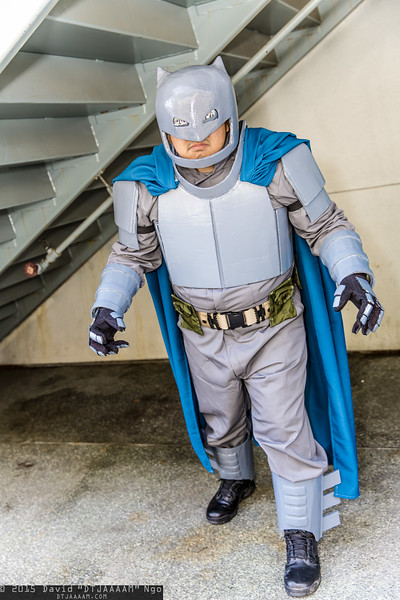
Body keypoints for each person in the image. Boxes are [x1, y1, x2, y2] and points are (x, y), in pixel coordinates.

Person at [88, 57, 383, 597]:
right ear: (165, 130)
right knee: (220, 418)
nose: (197, 142)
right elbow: (131, 254)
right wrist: (107, 306)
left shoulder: (274, 160)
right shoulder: (145, 183)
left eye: (210, 129)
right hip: (201, 333)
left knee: (285, 428)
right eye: (184, 134)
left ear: (230, 117)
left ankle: (301, 534)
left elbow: (325, 224)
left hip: (274, 327)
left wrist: (353, 273)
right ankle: (236, 478)